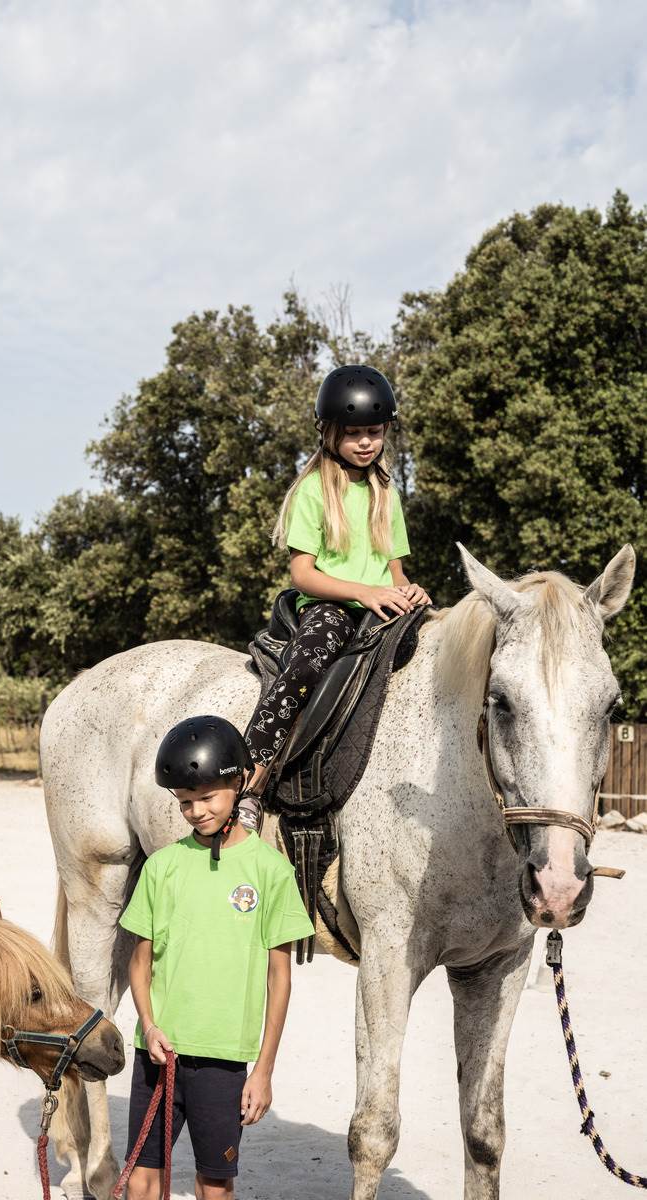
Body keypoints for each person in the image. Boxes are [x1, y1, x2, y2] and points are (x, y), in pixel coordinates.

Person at [119, 715, 314, 1200]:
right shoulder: (162, 866)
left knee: (215, 1181)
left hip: (225, 1059)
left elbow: (279, 978)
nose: (196, 812)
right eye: (185, 802)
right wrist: (149, 1023)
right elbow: (139, 962)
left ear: (239, 783)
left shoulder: (271, 870)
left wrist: (263, 1070)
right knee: (142, 1179)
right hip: (157, 1052)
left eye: (207, 798)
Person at [239, 364, 431, 830]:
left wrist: (411, 591)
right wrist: (363, 593)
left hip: (381, 605)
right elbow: (302, 574)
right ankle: (251, 778)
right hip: (329, 606)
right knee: (304, 667)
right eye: (353, 434)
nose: (365, 442)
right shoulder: (312, 491)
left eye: (373, 431)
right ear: (329, 433)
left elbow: (395, 571)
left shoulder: (387, 493)